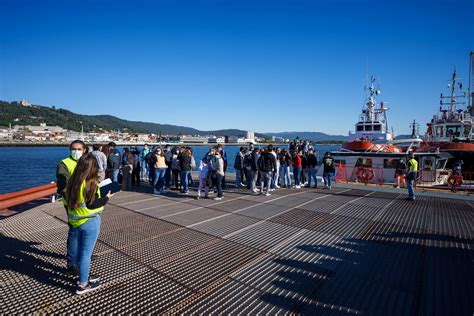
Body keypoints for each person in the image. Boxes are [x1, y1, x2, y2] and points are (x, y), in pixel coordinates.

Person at [65, 153, 113, 294]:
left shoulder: (73, 181)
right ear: (93, 168)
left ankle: (84, 275)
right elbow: (92, 204)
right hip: (90, 221)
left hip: (75, 220)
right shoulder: (89, 183)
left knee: (81, 251)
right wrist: (106, 197)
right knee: (86, 254)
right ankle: (83, 284)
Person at [56, 140, 87, 277]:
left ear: (84, 150)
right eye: (73, 149)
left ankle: (83, 257)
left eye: (79, 149)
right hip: (72, 203)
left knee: (85, 231)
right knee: (74, 232)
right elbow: (63, 186)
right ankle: (71, 264)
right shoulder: (64, 164)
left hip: (87, 204)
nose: (76, 151)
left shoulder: (86, 162)